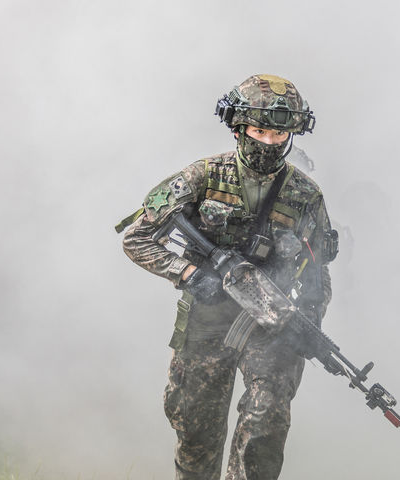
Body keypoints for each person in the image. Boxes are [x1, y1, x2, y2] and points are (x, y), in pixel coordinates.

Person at [118, 74, 338, 480]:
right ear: (239, 128)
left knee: (264, 433)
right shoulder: (204, 177)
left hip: (270, 325)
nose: (269, 142)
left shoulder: (305, 195)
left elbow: (319, 273)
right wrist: (187, 273)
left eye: (279, 133)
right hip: (207, 322)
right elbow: (137, 238)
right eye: (260, 131)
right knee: (196, 434)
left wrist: (307, 320)